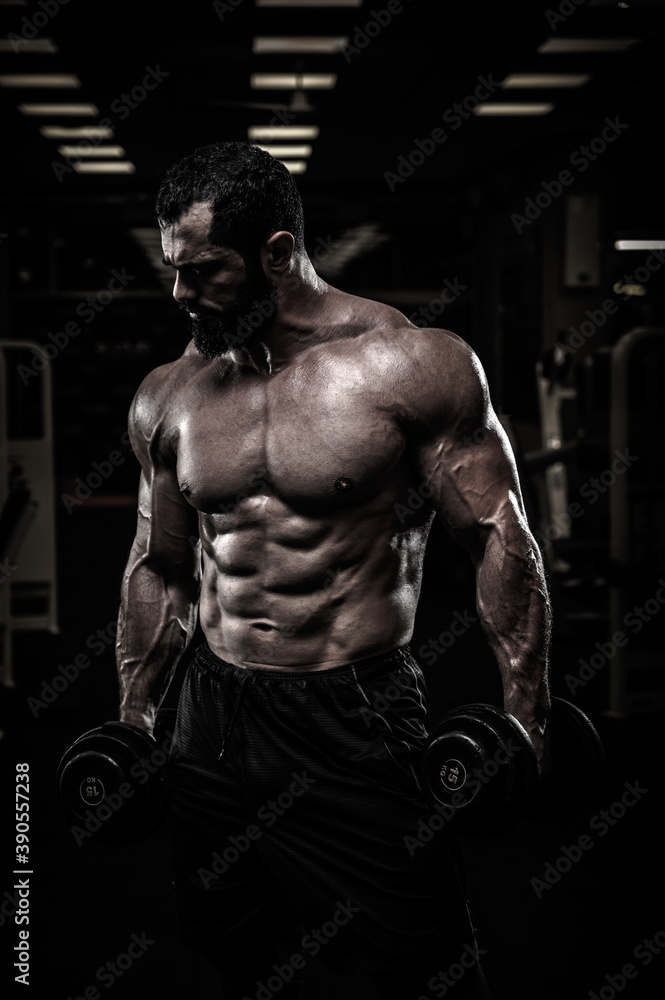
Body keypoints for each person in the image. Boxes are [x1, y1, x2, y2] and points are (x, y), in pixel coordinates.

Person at [115, 142, 551, 1000]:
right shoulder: (169, 393)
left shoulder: (408, 366)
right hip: (214, 717)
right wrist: (133, 717)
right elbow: (158, 566)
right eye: (173, 269)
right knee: (233, 953)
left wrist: (526, 717)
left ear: (278, 254)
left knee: (421, 963)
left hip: (352, 711)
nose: (179, 295)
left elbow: (501, 537)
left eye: (204, 271)